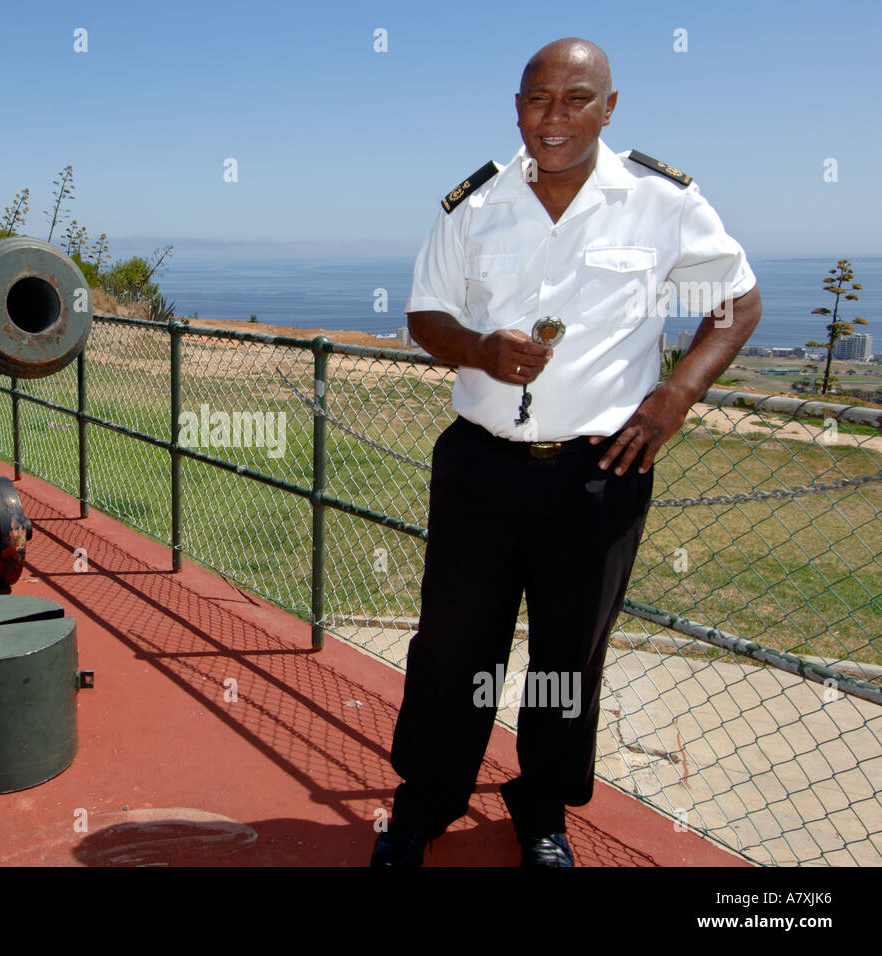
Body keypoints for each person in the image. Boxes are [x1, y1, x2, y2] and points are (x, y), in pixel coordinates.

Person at [372, 37, 762, 867]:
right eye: (536, 98)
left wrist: (676, 396)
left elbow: (736, 300)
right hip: (482, 466)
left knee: (569, 654)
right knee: (450, 646)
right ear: (516, 107)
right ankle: (425, 800)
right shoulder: (473, 204)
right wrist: (478, 348)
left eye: (576, 98)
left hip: (599, 474)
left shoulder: (662, 203)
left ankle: (542, 807)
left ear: (610, 108)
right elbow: (424, 315)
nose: (553, 116)